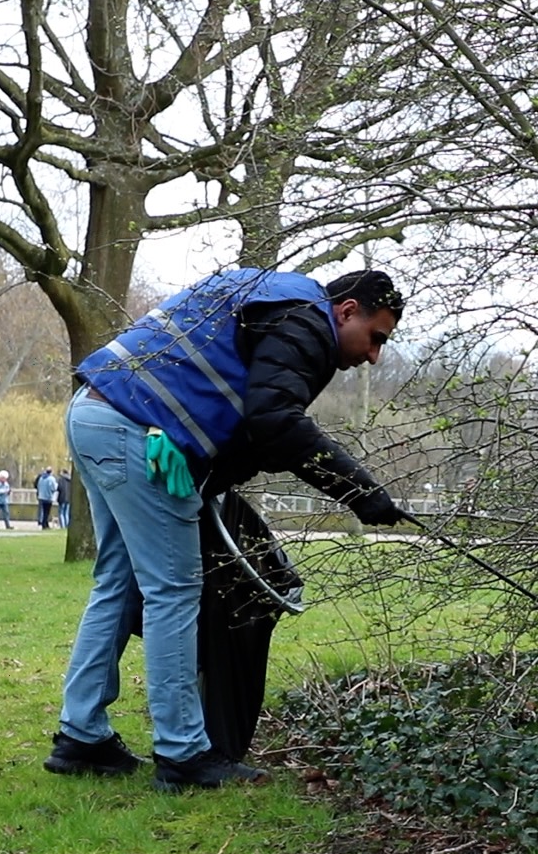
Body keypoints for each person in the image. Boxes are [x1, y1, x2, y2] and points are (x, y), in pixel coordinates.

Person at [45, 267, 408, 792]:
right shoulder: (306, 322)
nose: (373, 355)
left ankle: (81, 736)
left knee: (118, 585)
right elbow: (276, 423)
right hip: (137, 433)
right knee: (173, 589)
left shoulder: (270, 292)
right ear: (347, 311)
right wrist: (359, 491)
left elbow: (247, 420)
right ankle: (184, 753)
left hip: (95, 411)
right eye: (376, 338)